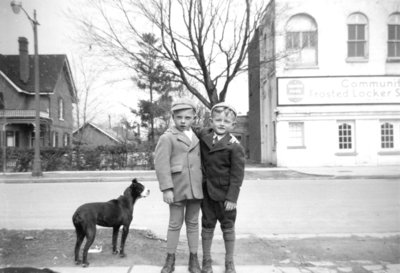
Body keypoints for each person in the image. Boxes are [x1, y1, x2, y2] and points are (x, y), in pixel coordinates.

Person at [154, 98, 204, 273]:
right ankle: (170, 259)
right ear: (173, 117)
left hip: (196, 188)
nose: (183, 121)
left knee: (193, 224)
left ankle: (194, 259)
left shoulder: (197, 137)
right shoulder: (167, 137)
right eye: (179, 117)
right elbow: (161, 164)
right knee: (174, 224)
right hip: (177, 188)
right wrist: (167, 188)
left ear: (193, 118)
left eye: (187, 117)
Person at [197, 102, 245, 273]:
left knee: (228, 227)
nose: (222, 124)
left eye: (226, 121)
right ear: (211, 121)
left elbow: (237, 175)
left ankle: (229, 262)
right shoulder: (203, 135)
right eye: (218, 120)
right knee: (207, 226)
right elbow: (189, 130)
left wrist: (232, 198)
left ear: (233, 125)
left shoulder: (235, 146)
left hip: (226, 196)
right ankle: (206, 260)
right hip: (206, 194)